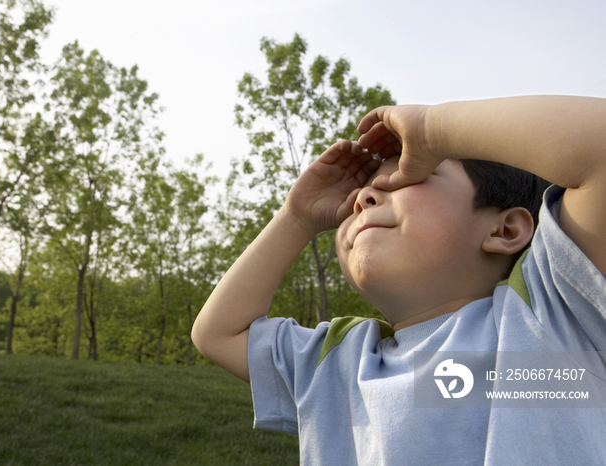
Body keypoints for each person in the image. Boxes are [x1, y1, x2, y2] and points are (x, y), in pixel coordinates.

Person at [192, 96, 606, 465]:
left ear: (505, 231)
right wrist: (295, 219)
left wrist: (431, 129)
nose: (362, 198)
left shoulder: (552, 317)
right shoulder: (336, 362)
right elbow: (218, 333)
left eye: (409, 177)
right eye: (362, 193)